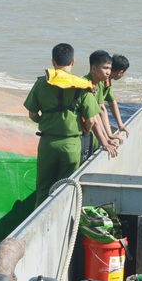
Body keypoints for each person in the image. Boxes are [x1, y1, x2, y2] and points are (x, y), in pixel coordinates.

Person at [24, 44, 117, 204]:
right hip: (72, 145)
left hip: (47, 143)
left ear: (53, 61)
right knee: (65, 190)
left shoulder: (40, 84)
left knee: (43, 188)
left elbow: (32, 114)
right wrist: (104, 142)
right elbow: (92, 120)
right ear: (73, 62)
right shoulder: (82, 86)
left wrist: (47, 122)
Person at [81, 50, 123, 163]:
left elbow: (101, 109)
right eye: (105, 68)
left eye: (109, 68)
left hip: (93, 132)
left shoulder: (99, 82)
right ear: (94, 69)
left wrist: (108, 136)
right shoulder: (86, 84)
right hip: (85, 131)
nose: (108, 72)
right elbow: (94, 117)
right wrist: (105, 140)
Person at [107, 55, 133, 142]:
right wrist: (108, 133)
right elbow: (100, 108)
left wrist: (120, 124)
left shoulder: (107, 79)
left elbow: (112, 101)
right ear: (120, 72)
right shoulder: (103, 80)